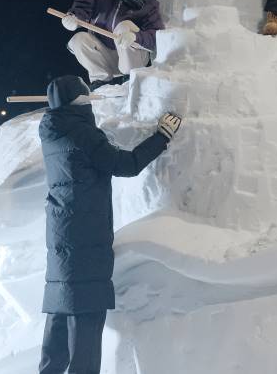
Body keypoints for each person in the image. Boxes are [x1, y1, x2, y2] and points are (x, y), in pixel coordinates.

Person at [37, 75, 182, 374]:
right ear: (80, 102)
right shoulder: (84, 135)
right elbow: (126, 165)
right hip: (86, 238)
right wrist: (161, 137)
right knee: (86, 329)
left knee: (60, 319)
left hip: (62, 233)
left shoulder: (53, 130)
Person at [61, 0, 164, 89]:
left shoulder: (150, 5)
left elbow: (156, 35)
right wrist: (74, 17)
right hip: (105, 57)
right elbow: (83, 7)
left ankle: (130, 78)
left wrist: (135, 37)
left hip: (132, 59)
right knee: (78, 39)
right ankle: (101, 81)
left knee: (124, 26)